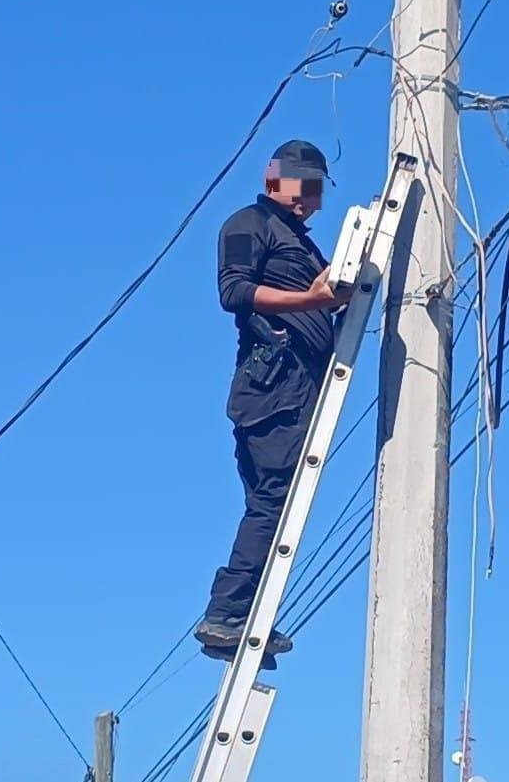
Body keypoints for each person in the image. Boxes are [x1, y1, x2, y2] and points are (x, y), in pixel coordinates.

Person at [195, 140, 349, 668]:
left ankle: (245, 613)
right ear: (273, 180)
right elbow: (234, 292)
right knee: (272, 499)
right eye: (300, 185)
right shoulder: (249, 223)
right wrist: (313, 300)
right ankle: (226, 612)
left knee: (277, 506)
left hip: (299, 386)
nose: (309, 197)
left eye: (315, 188)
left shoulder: (303, 245)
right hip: (272, 388)